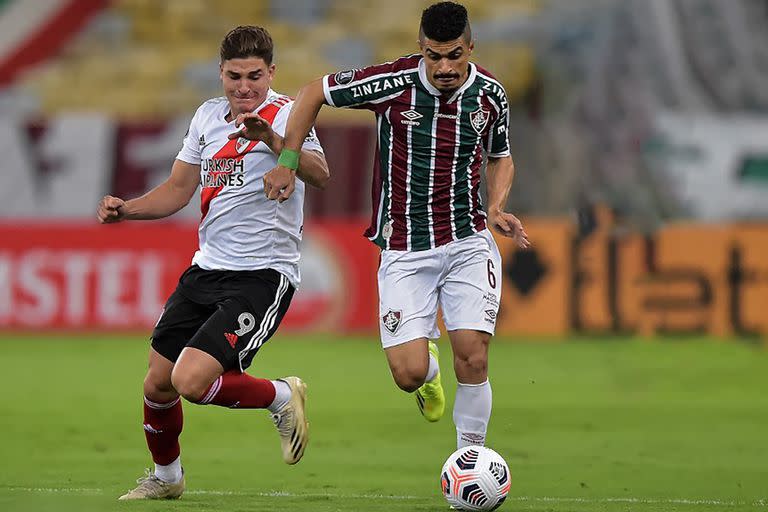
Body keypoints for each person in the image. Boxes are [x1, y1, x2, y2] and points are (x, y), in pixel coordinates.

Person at [231, 2, 529, 450]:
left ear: (470, 47)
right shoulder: (392, 82)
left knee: (472, 354)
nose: (444, 66)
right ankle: (427, 370)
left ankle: (471, 459)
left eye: (454, 55)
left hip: (468, 239)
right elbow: (312, 93)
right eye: (434, 55)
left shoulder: (490, 95)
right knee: (407, 374)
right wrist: (288, 161)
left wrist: (498, 205)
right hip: (405, 248)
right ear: (420, 49)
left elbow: (500, 155)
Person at [97, 25, 329, 500]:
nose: (245, 88)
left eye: (255, 76)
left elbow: (320, 173)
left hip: (263, 275)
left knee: (190, 380)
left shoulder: (287, 115)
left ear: (272, 73)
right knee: (158, 385)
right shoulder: (207, 118)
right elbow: (178, 191)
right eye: (234, 76)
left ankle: (282, 395)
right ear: (219, 74)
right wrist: (128, 209)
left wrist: (271, 140)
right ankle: (166, 479)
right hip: (206, 270)